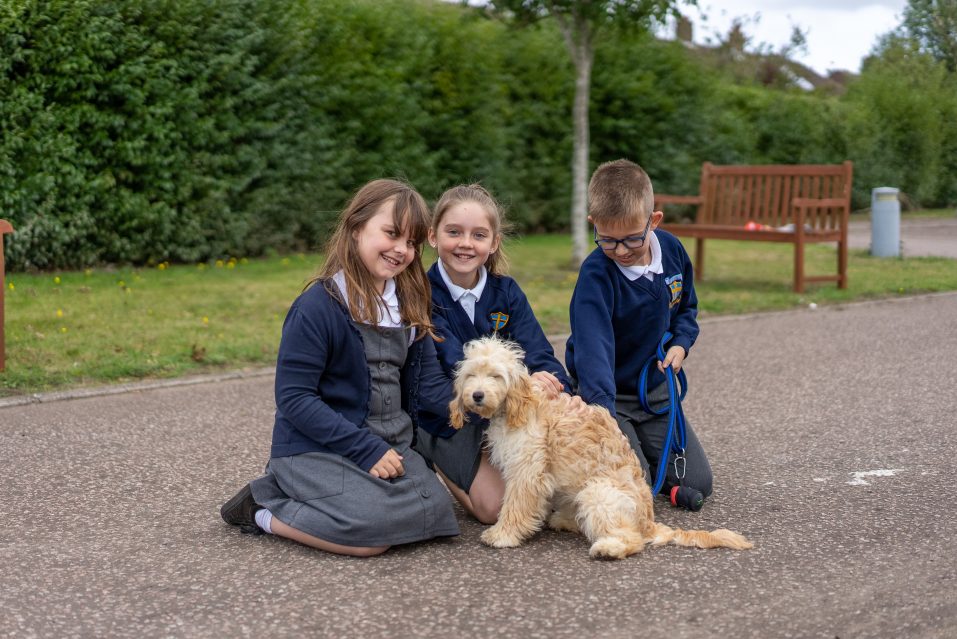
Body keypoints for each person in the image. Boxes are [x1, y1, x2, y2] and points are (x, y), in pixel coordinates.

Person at [220, 179, 460, 556]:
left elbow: (430, 387)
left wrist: (487, 406)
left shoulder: (410, 303)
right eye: (391, 234)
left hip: (389, 444)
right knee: (371, 537)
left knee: (436, 510)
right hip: (316, 447)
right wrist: (364, 449)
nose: (401, 250)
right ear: (355, 229)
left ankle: (349, 505)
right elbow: (294, 398)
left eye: (411, 242)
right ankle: (262, 507)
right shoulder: (318, 306)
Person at [415, 184, 572, 524]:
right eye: (454, 232)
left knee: (556, 492)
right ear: (432, 235)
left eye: (479, 234)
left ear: (494, 242)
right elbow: (446, 372)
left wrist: (555, 386)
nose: (466, 244)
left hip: (506, 414)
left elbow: (540, 354)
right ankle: (429, 453)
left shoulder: (507, 293)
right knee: (499, 508)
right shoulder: (420, 296)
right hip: (447, 416)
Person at [565, 159, 713, 500]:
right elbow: (593, 350)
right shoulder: (595, 276)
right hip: (608, 395)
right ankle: (632, 461)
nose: (620, 251)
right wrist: (602, 413)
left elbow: (686, 308)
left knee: (698, 483)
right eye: (607, 241)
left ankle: (649, 458)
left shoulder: (673, 251)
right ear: (594, 225)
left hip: (655, 392)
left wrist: (681, 343)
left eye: (631, 240)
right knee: (631, 489)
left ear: (654, 221)